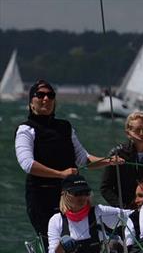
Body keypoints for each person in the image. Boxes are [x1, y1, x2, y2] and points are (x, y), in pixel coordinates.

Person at [15, 79, 123, 238]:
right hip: (42, 197)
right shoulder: (26, 129)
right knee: (54, 241)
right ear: (31, 102)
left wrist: (109, 161)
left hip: (72, 196)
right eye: (40, 95)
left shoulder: (65, 127)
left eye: (50, 95)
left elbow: (83, 159)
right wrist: (60, 174)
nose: (46, 99)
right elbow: (28, 164)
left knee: (83, 239)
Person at [101, 111, 143, 209]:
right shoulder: (117, 154)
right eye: (138, 130)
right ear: (128, 132)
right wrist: (122, 207)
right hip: (122, 209)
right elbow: (105, 188)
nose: (142, 133)